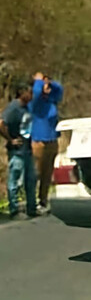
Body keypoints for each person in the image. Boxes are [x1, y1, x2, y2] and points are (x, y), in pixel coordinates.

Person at [0, 81, 37, 220]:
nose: (31, 95)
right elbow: (1, 123)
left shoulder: (26, 108)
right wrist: (10, 139)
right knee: (15, 180)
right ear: (22, 93)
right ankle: (14, 210)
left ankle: (31, 208)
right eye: (29, 92)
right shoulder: (13, 108)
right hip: (17, 151)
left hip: (27, 149)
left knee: (30, 179)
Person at [29, 72, 63, 213]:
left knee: (47, 174)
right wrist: (38, 82)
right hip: (39, 141)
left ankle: (43, 201)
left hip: (52, 140)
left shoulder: (51, 99)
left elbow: (59, 90)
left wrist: (50, 81)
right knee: (36, 173)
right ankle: (31, 202)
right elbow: (36, 92)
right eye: (44, 84)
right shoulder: (34, 101)